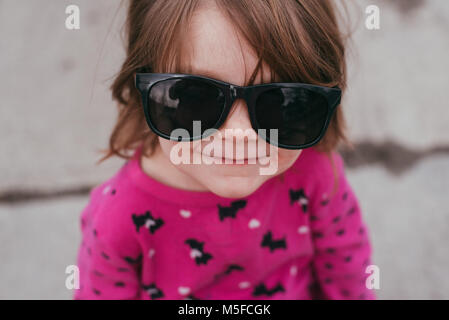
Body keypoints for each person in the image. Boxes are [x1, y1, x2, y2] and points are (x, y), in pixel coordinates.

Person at [73, 0, 376, 300]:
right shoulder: (118, 217)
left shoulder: (314, 173)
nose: (239, 134)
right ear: (143, 90)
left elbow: (346, 264)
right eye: (195, 99)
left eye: (282, 102)